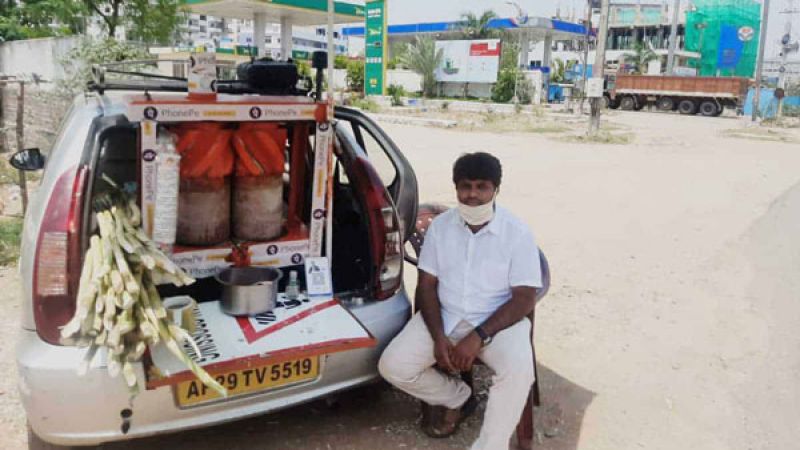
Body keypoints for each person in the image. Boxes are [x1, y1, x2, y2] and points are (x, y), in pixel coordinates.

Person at [378, 152, 542, 450]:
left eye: (482, 187)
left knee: (519, 371)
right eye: (465, 186)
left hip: (499, 324)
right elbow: (426, 287)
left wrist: (477, 337)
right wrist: (439, 337)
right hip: (447, 316)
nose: (473, 195)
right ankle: (458, 398)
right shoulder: (441, 229)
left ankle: (490, 445)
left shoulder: (516, 232)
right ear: (456, 189)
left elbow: (524, 298)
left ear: (496, 190)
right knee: (393, 366)